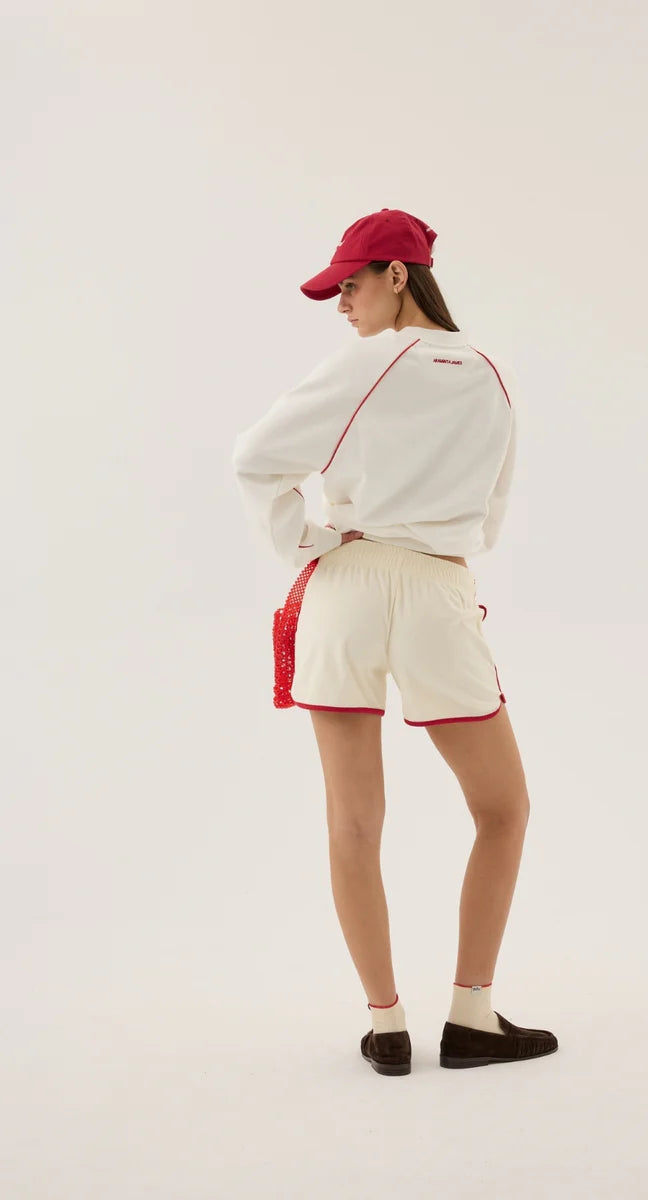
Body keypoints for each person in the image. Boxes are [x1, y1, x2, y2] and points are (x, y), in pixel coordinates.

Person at [231, 208, 558, 1075]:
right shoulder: (492, 373)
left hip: (346, 586)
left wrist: (308, 540)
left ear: (398, 275)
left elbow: (255, 458)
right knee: (503, 809)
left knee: (353, 820)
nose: (343, 304)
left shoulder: (364, 362)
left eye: (350, 285)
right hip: (437, 589)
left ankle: (385, 1027)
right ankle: (472, 1017)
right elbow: (492, 509)